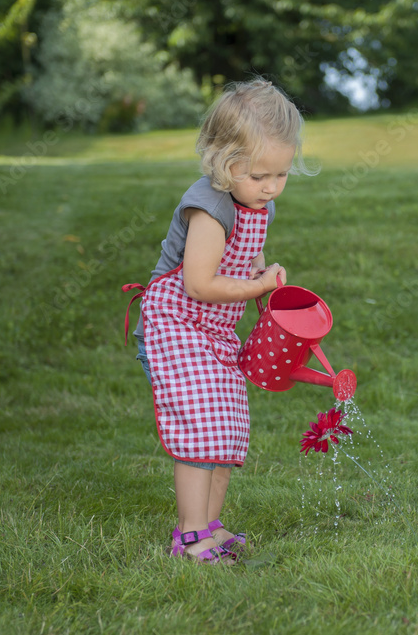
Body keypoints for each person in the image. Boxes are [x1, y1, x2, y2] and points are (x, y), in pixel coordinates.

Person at [121, 79, 316, 564]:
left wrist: (266, 287)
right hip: (175, 326)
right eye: (259, 176)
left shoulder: (257, 203)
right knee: (199, 430)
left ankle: (210, 525)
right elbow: (199, 285)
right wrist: (258, 286)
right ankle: (189, 538)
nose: (271, 187)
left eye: (281, 175)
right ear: (223, 162)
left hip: (211, 330)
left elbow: (249, 258)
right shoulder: (209, 207)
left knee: (226, 427)